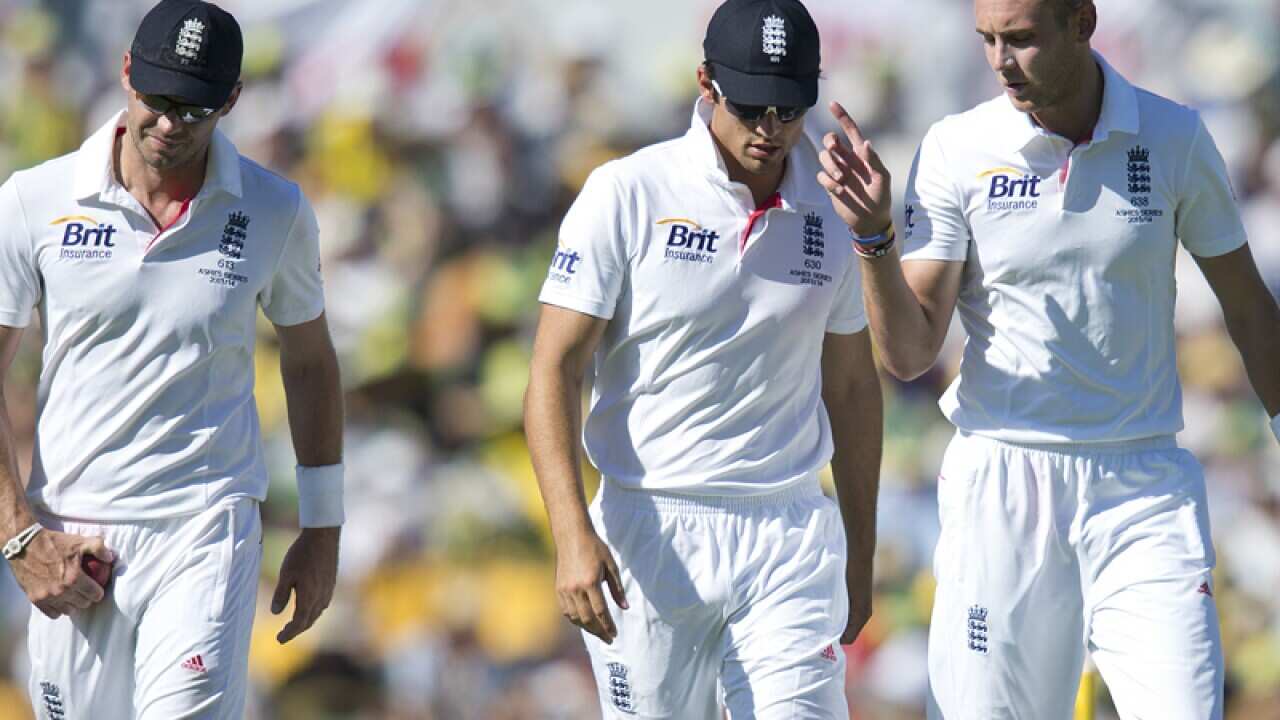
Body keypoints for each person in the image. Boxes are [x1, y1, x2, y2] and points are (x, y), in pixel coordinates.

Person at [816, 0, 1280, 718]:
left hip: (1142, 488)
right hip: (1002, 482)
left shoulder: (1172, 136)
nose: (1002, 61)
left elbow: (1249, 308)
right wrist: (875, 240)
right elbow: (908, 353)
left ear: (1082, 22)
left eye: (1023, 39)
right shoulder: (956, 146)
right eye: (988, 40)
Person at [523, 0, 883, 716]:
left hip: (788, 531)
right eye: (751, 105)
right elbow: (555, 370)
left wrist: (860, 552)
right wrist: (571, 534)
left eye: (790, 107)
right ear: (706, 82)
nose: (771, 129)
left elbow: (850, 385)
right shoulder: (628, 191)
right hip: (651, 527)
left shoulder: (836, 203)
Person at [0, 1, 345, 717]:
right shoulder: (34, 201)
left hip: (206, 526)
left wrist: (322, 528)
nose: (167, 123)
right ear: (126, 72)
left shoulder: (275, 211)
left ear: (232, 102)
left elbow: (309, 361)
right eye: (154, 99)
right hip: (75, 531)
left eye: (193, 109)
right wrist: (18, 536)